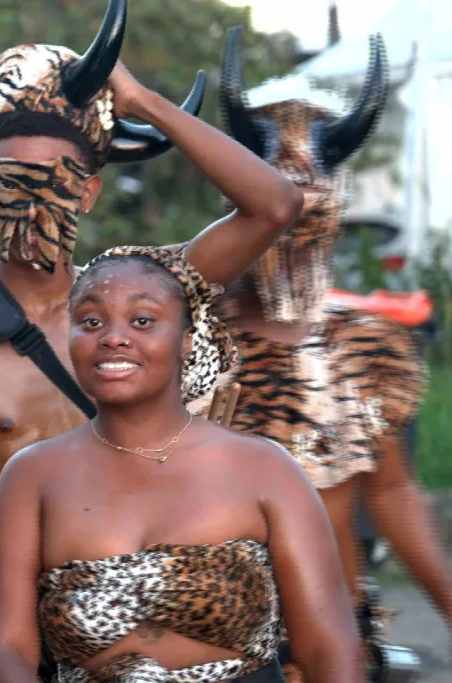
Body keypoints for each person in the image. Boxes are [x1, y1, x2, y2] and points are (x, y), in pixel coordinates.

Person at [0, 1, 304, 679]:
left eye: (56, 179)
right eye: (12, 178)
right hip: (12, 624)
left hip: (157, 603)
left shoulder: (138, 303)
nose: (32, 198)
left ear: (89, 193)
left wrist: (144, 101)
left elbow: (275, 205)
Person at [189, 29, 451, 681]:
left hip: (334, 643)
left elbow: (391, 493)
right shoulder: (182, 337)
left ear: (335, 209)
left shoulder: (366, 344)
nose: (290, 225)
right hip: (208, 642)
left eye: (308, 208)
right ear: (235, 203)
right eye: (271, 204)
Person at [0, 245, 362, 683]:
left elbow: (329, 646)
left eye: (142, 320)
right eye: (91, 321)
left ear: (186, 341)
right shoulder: (31, 476)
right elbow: (2, 652)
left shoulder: (264, 468)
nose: (113, 337)